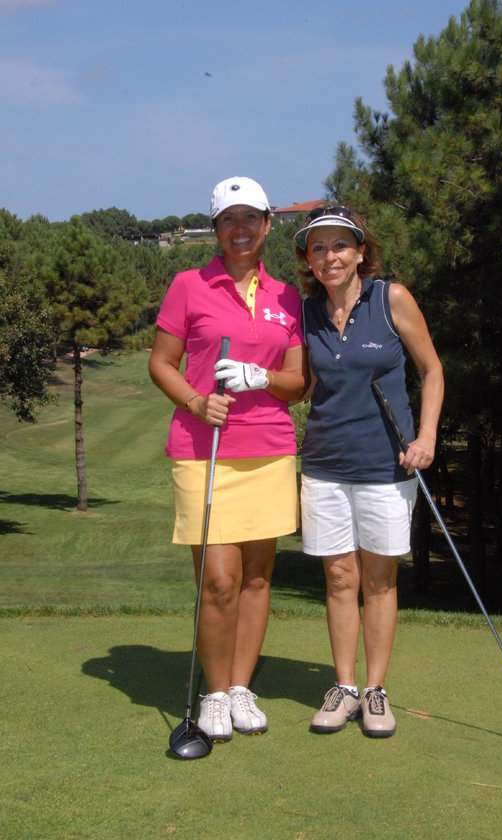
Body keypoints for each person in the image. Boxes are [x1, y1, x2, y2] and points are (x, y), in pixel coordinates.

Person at [149, 177, 308, 743]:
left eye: (250, 218)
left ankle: (241, 687)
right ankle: (214, 693)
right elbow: (161, 363)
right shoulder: (188, 285)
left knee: (257, 577)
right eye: (228, 219)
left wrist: (262, 377)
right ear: (216, 228)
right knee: (219, 580)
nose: (240, 229)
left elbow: (298, 383)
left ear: (267, 225)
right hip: (204, 451)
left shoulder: (287, 297)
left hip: (268, 450)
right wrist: (196, 401)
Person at [294, 205, 444, 737]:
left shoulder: (390, 298)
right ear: (308, 260)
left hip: (386, 464)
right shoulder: (306, 313)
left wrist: (427, 437)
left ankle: (375, 690)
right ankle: (344, 687)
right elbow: (304, 384)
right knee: (339, 578)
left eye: (340, 245)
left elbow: (431, 370)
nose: (329, 256)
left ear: (361, 251)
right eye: (318, 248)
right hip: (325, 466)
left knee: (379, 581)